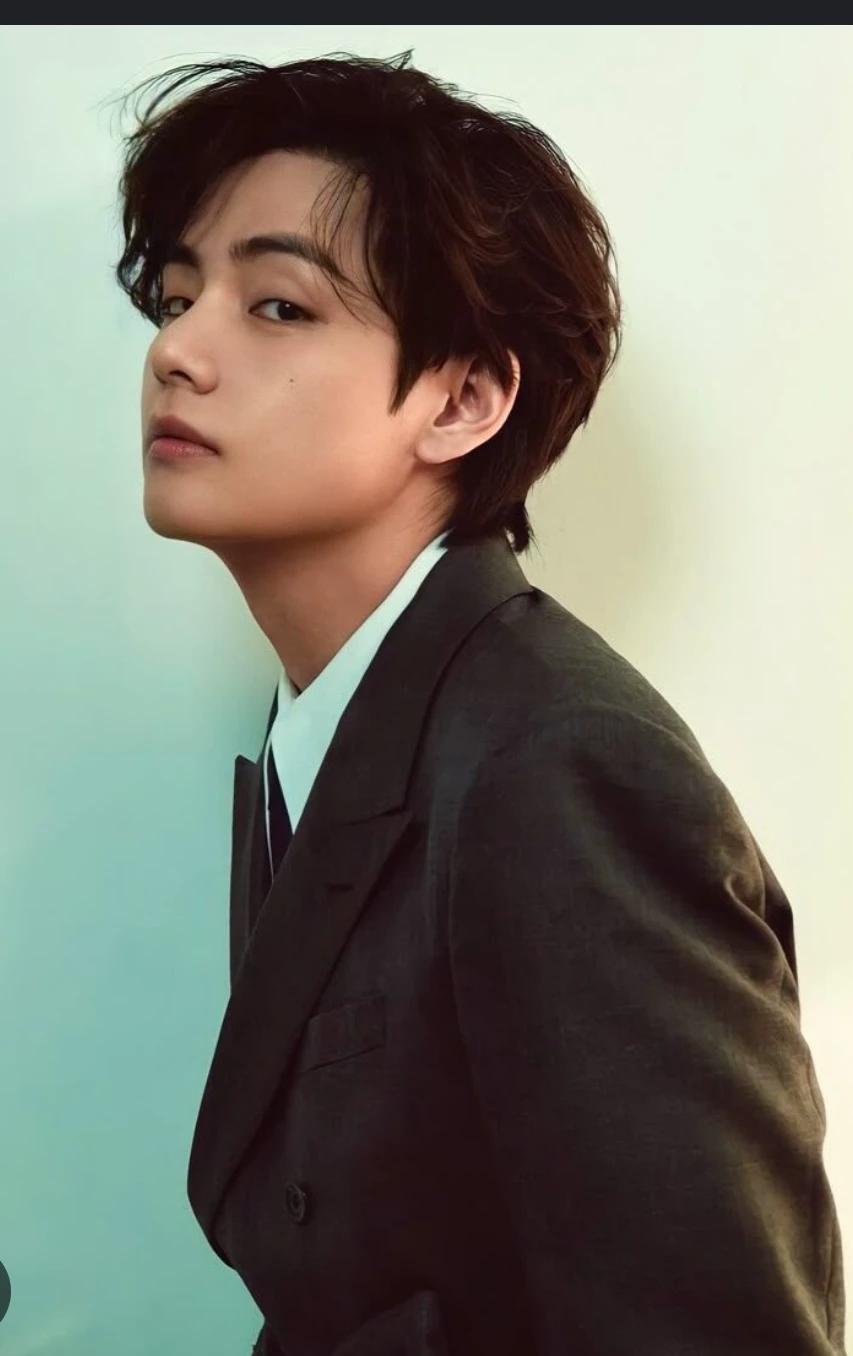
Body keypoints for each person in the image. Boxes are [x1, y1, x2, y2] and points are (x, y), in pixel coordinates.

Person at [113, 49, 845, 1356]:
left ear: (462, 400)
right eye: (177, 296)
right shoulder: (342, 731)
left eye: (277, 306)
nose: (177, 350)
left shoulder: (557, 765)